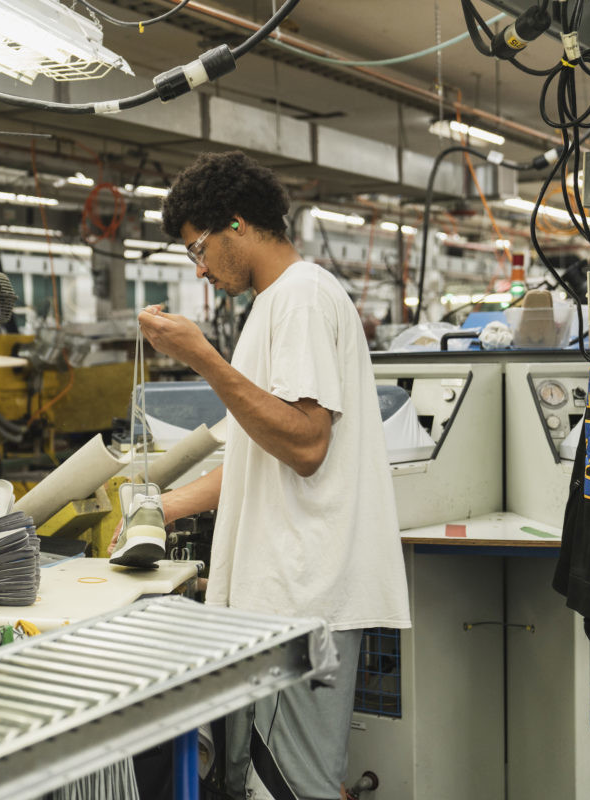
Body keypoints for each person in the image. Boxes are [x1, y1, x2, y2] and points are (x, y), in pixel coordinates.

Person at [124, 151, 410, 800]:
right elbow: (260, 458)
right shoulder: (276, 303)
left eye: (198, 248)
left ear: (236, 223)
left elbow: (306, 443)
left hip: (300, 597)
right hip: (281, 601)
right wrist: (163, 507)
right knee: (262, 782)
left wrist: (203, 357)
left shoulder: (301, 297)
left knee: (291, 789)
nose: (199, 269)